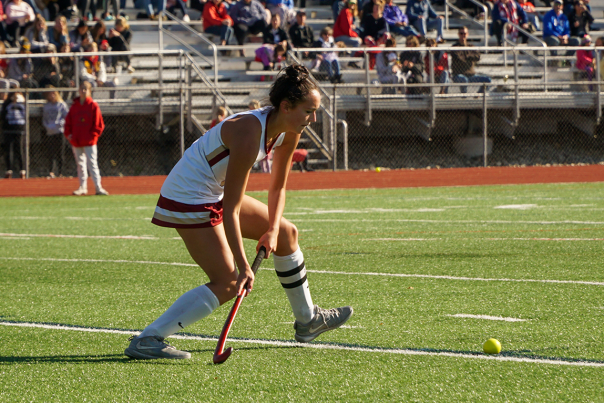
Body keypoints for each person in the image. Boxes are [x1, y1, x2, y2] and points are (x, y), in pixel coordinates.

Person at [124, 64, 353, 360]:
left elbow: (278, 189)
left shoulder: (289, 130)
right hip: (189, 194)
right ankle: (148, 339)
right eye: (309, 111)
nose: (313, 118)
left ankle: (308, 322)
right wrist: (245, 265)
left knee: (285, 233)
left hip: (213, 191)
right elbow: (230, 208)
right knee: (229, 282)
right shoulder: (249, 132)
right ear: (285, 107)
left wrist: (271, 228)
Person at [64, 81, 109, 196]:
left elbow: (99, 125)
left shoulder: (93, 105)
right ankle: (82, 187)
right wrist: (69, 135)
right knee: (80, 165)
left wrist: (92, 136)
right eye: (81, 89)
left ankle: (98, 188)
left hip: (89, 141)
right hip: (77, 141)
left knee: (92, 164)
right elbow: (68, 123)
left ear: (89, 91)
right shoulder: (74, 106)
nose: (83, 91)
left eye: (85, 89)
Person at [451, 26, 491, 93]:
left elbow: (477, 57)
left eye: (465, 33)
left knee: (488, 80)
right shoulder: (454, 47)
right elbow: (458, 58)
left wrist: (465, 56)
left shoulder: (471, 46)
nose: (463, 35)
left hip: (471, 75)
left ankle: (478, 94)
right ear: (458, 34)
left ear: (467, 34)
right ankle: (464, 97)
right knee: (464, 80)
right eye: (461, 33)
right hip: (458, 75)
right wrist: (470, 56)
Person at [42, 86, 68, 178]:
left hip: (59, 131)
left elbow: (67, 117)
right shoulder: (46, 106)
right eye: (50, 94)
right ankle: (51, 171)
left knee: (60, 152)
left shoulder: (61, 104)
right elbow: (44, 119)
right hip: (50, 131)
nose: (52, 95)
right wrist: (47, 126)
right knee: (51, 152)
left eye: (53, 93)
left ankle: (60, 172)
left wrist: (61, 124)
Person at [1, 91, 26, 179]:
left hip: (18, 128)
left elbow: (25, 114)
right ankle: (9, 170)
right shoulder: (7, 103)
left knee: (19, 149)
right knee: (9, 150)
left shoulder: (22, 102)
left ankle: (22, 170)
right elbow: (3, 115)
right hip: (9, 129)